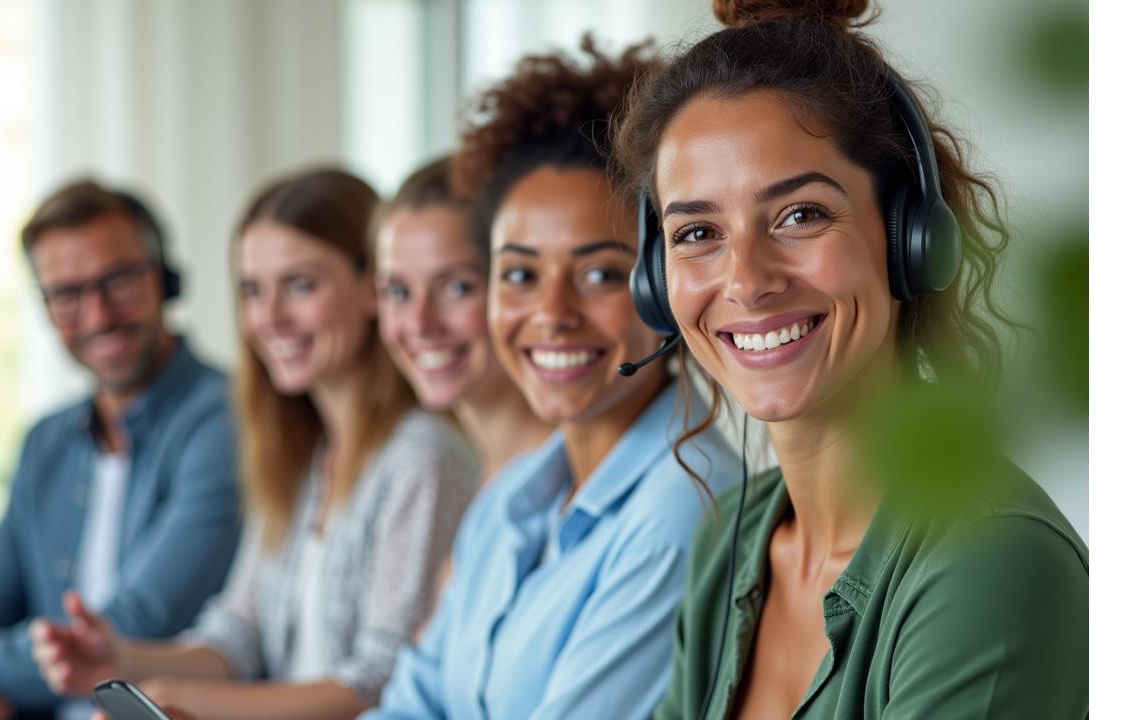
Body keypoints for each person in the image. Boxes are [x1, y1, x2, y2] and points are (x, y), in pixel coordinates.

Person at [613, 1, 1089, 717]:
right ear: (656, 281)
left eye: (800, 215)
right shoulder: (730, 540)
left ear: (909, 241)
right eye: (698, 233)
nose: (746, 281)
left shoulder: (993, 560)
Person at [365, 37, 741, 720]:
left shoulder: (684, 509)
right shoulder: (512, 499)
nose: (552, 314)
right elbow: (411, 705)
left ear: (661, 287)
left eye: (599, 274)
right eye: (519, 274)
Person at [31, 168, 479, 720]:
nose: (269, 318)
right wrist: (120, 659)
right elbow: (239, 634)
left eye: (301, 285)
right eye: (252, 290)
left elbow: (383, 681)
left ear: (372, 287)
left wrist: (188, 703)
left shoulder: (422, 457)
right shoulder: (303, 455)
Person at [0, 180, 243, 719]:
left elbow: (127, 631)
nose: (98, 315)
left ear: (166, 280)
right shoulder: (46, 443)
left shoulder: (229, 418)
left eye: (119, 281)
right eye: (67, 295)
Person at [375, 155, 552, 479]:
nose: (420, 324)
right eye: (398, 292)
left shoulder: (558, 481)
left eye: (457, 288)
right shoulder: (490, 474)